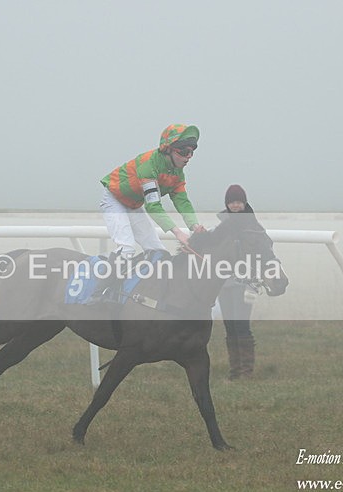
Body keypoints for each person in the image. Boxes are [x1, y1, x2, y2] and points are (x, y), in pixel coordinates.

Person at [99, 124, 205, 260]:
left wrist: (194, 226)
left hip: (133, 205)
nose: (189, 156)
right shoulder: (149, 165)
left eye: (192, 151)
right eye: (184, 152)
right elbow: (153, 206)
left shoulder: (177, 173)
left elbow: (182, 201)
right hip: (114, 200)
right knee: (126, 250)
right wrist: (178, 233)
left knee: (158, 251)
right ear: (168, 150)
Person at [217, 184, 258, 379]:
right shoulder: (222, 225)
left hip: (244, 283)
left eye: (238, 201)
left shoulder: (253, 226)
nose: (235, 205)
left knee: (241, 325)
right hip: (224, 283)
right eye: (232, 201)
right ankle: (234, 371)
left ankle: (246, 371)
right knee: (230, 326)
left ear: (244, 203)